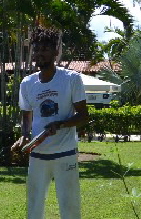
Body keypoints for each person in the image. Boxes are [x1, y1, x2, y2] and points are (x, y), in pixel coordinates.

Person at [12, 28, 89, 219]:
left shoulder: (71, 79)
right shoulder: (27, 83)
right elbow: (26, 116)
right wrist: (24, 136)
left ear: (56, 51)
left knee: (70, 207)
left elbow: (83, 115)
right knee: (34, 207)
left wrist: (60, 124)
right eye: (36, 50)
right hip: (38, 155)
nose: (39, 54)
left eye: (45, 49)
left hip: (65, 153)